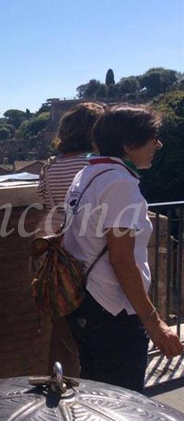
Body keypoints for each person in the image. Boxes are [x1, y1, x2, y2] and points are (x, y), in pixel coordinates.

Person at [64, 104, 183, 393]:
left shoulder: (87, 175)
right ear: (128, 144)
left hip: (85, 301)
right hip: (113, 311)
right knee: (122, 401)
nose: (158, 144)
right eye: (153, 137)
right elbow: (122, 260)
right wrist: (154, 323)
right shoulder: (119, 184)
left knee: (96, 394)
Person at [37, 102, 105, 376]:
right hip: (90, 258)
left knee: (63, 334)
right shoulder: (95, 165)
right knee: (96, 337)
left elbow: (47, 206)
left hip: (58, 258)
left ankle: (59, 386)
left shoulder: (50, 167)